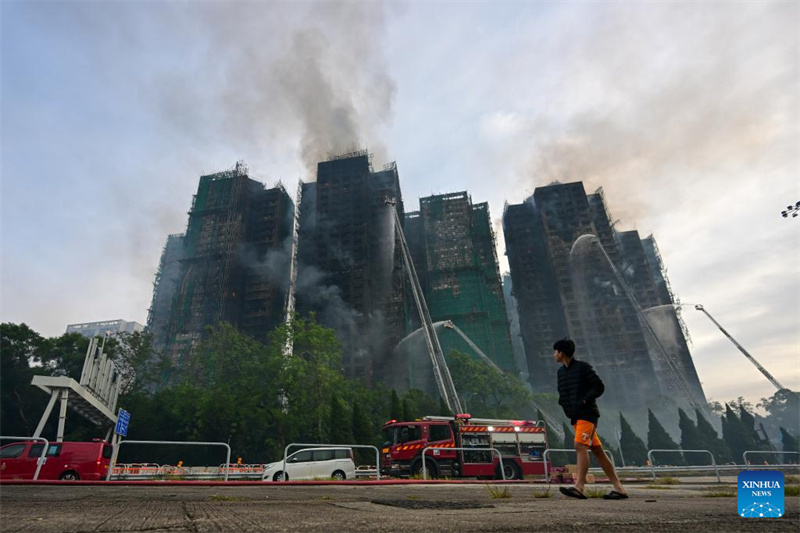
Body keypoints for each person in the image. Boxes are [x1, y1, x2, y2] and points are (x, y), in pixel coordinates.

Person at [553, 338, 628, 500]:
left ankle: (579, 487)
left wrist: (585, 400)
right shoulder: (561, 372)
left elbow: (599, 386)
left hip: (587, 414)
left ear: (561, 353)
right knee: (597, 451)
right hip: (575, 416)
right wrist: (564, 404)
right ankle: (619, 489)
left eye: (555, 351)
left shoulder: (583, 367)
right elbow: (563, 393)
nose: (553, 355)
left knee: (579, 445)